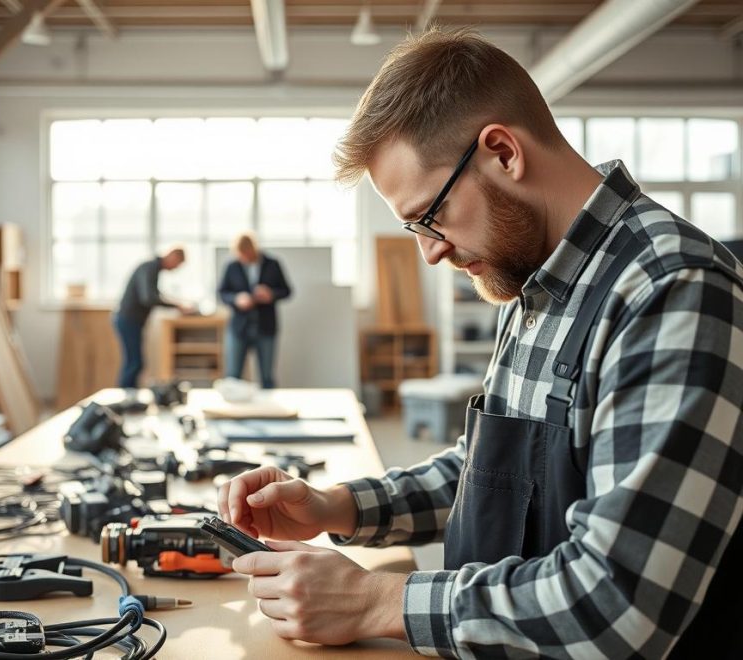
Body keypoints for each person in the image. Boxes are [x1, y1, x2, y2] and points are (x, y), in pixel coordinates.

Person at [217, 27, 743, 658]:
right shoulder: (534, 281)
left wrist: (376, 599)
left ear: (502, 152)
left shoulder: (670, 290)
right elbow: (487, 474)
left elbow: (617, 603)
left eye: (429, 217)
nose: (431, 251)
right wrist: (335, 507)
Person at [113, 246, 195, 388]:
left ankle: (128, 395)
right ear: (172, 256)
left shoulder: (153, 269)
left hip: (132, 320)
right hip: (128, 320)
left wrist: (177, 303)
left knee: (134, 362)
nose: (175, 269)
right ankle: (126, 397)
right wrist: (176, 306)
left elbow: (155, 294)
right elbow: (149, 298)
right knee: (134, 362)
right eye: (177, 265)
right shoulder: (149, 267)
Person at [218, 232, 291, 389]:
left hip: (265, 326)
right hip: (239, 327)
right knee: (233, 375)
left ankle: (269, 410)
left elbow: (286, 291)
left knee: (266, 376)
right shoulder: (233, 266)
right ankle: (232, 411)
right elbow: (222, 293)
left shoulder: (272, 264)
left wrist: (271, 294)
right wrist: (236, 299)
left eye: (247, 254)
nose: (245, 258)